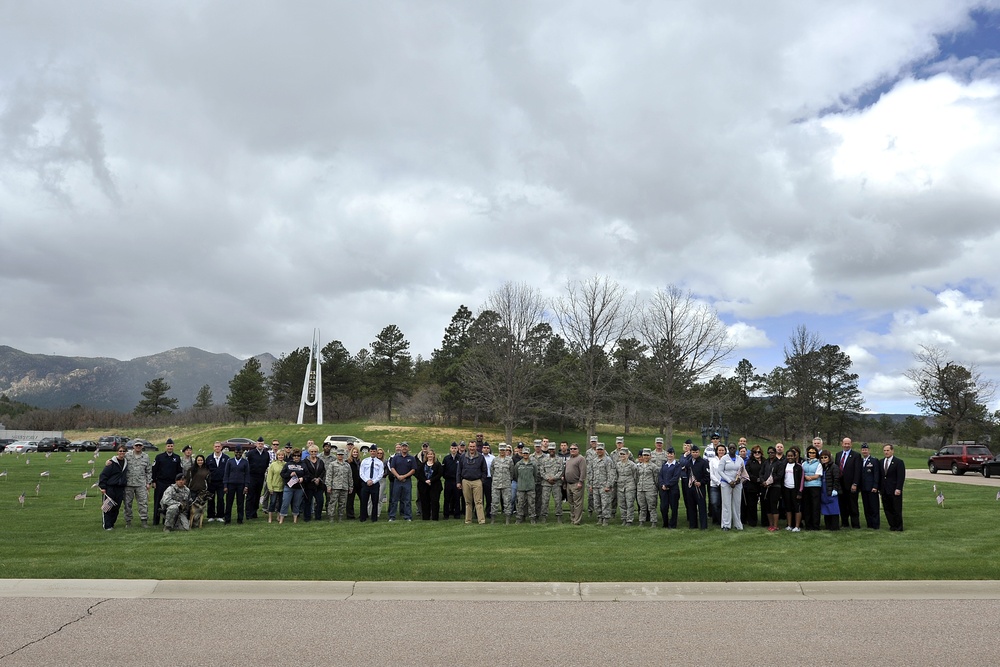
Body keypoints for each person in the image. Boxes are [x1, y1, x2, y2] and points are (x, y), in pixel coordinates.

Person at [457, 439, 488, 524]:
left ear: (476, 447)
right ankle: (468, 520)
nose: (472, 448)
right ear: (468, 447)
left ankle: (481, 520)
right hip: (466, 481)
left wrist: (482, 481)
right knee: (468, 502)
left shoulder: (480, 457)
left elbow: (484, 470)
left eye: (473, 446)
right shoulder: (463, 457)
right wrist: (458, 482)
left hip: (477, 481)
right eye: (470, 446)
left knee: (478, 501)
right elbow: (459, 470)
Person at [151, 439, 181, 526]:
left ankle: (167, 521)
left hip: (172, 484)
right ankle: (156, 521)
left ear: (173, 447)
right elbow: (154, 470)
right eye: (168, 446)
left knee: (170, 502)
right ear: (166, 447)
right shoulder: (159, 457)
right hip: (160, 483)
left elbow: (179, 471)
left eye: (171, 446)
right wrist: (154, 481)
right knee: (158, 502)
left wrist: (178, 483)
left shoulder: (177, 458)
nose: (170, 447)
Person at [123, 440, 152, 528]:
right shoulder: (127, 455)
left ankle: (144, 521)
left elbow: (149, 471)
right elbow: (118, 458)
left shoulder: (146, 457)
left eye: (140, 445)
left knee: (143, 503)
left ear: (142, 446)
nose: (138, 447)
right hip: (129, 484)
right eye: (136, 445)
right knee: (127, 504)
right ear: (133, 446)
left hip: (141, 484)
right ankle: (128, 522)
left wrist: (148, 482)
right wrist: (109, 460)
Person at [99, 446, 128, 530]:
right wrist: (103, 487)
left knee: (116, 507)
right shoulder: (111, 463)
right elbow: (103, 475)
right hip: (110, 488)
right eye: (120, 451)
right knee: (108, 507)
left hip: (120, 488)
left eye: (123, 451)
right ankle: (107, 525)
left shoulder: (126, 462)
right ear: (117, 452)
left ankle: (112, 523)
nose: (122, 452)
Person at [718, 441, 746, 531]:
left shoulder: (740, 459)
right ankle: (726, 525)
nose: (732, 449)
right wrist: (729, 480)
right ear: (728, 449)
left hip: (737, 484)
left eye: (734, 448)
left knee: (737, 504)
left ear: (736, 449)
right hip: (726, 484)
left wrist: (738, 480)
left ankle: (738, 524)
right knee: (726, 504)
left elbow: (743, 471)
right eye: (730, 448)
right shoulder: (724, 459)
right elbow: (720, 471)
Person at [588, 443, 617, 526]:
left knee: (605, 503)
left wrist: (608, 485)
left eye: (601, 449)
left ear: (604, 450)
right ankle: (599, 518)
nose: (599, 451)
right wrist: (591, 484)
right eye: (598, 449)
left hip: (604, 486)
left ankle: (606, 519)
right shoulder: (594, 460)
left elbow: (611, 474)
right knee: (597, 503)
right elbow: (591, 473)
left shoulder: (608, 460)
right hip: (595, 485)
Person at [682, 445, 709, 529]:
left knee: (701, 506)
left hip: (700, 487)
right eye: (693, 452)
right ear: (691, 452)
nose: (695, 454)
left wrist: (701, 482)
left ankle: (703, 526)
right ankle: (693, 525)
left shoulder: (704, 462)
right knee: (691, 506)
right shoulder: (688, 462)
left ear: (699, 452)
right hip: (691, 488)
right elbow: (686, 473)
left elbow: (707, 476)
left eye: (696, 452)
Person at [388, 442, 416, 522]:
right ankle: (392, 516)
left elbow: (413, 470)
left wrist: (404, 476)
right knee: (394, 499)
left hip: (407, 481)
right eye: (403, 446)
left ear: (408, 448)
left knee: (407, 499)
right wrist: (398, 476)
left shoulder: (411, 458)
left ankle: (408, 516)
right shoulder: (396, 458)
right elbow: (392, 468)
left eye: (406, 447)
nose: (404, 448)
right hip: (397, 480)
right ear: (401, 448)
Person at [838, 437, 862, 529]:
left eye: (848, 444)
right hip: (841, 485)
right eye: (845, 443)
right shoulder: (838, 454)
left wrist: (855, 483)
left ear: (851, 444)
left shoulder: (856, 455)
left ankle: (855, 524)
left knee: (853, 505)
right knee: (842, 505)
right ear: (842, 444)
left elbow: (857, 471)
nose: (846, 445)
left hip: (852, 485)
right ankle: (844, 523)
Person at [223, 446, 250, 525]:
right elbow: (226, 474)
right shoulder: (230, 461)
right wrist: (225, 485)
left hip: (241, 485)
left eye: (240, 452)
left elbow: (247, 475)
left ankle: (240, 519)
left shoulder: (245, 462)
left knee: (240, 502)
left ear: (242, 453)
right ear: (234, 452)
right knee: (229, 502)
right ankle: (227, 519)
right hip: (231, 484)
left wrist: (246, 486)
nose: (238, 454)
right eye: (237, 452)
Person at [881, 444, 905, 531]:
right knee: (887, 509)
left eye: (888, 450)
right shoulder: (881, 462)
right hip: (884, 490)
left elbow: (901, 477)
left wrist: (898, 488)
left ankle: (899, 526)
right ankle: (892, 525)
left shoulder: (898, 462)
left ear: (892, 451)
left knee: (896, 509)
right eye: (884, 450)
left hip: (894, 490)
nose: (886, 452)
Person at [246, 437, 271, 520]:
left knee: (257, 495)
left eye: (262, 444)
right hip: (252, 476)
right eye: (259, 443)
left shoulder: (266, 454)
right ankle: (248, 513)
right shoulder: (251, 453)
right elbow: (247, 464)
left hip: (260, 477)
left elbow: (267, 464)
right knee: (250, 495)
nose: (260, 445)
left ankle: (254, 512)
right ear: (256, 444)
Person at [539, 443, 564, 523]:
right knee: (545, 501)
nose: (551, 451)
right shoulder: (544, 460)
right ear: (548, 450)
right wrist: (547, 478)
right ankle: (544, 517)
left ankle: (559, 516)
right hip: (546, 484)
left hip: (556, 483)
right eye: (550, 449)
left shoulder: (559, 460)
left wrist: (554, 478)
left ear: (555, 449)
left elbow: (561, 471)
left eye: (553, 449)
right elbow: (541, 471)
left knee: (558, 501)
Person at [563, 443, 587, 526]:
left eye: (574, 449)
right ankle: (572, 518)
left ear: (578, 450)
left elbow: (583, 471)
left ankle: (577, 520)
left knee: (578, 503)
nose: (572, 450)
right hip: (569, 484)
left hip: (577, 484)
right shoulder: (569, 459)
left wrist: (581, 482)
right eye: (571, 449)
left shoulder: (581, 459)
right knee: (571, 503)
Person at [279, 448, 306, 524]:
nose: (296, 457)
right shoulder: (288, 464)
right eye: (294, 456)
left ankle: (295, 519)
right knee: (285, 503)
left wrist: (302, 478)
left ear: (300, 456)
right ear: (292, 456)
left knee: (296, 504)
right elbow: (282, 474)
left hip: (299, 488)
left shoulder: (303, 464)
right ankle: (281, 519)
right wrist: (289, 474)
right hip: (289, 487)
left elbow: (307, 475)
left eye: (298, 456)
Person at [514, 449, 540, 524]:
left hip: (530, 487)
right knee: (520, 504)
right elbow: (516, 475)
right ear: (522, 454)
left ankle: (532, 518)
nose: (525, 454)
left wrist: (531, 482)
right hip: (521, 487)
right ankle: (519, 518)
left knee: (531, 503)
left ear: (529, 454)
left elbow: (535, 475)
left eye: (527, 453)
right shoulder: (518, 464)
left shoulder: (533, 464)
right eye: (524, 453)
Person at [490, 443, 515, 523]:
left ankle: (507, 519)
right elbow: (492, 471)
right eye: (501, 450)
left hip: (506, 484)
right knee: (494, 502)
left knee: (507, 502)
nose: (502, 451)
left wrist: (508, 479)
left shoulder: (509, 460)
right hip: (496, 484)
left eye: (503, 450)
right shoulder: (495, 460)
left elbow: (512, 472)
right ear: (499, 450)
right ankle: (493, 519)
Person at [205, 441, 229, 523]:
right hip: (211, 482)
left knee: (221, 499)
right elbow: (206, 470)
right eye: (216, 446)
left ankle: (220, 515)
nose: (217, 448)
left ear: (221, 447)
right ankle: (211, 515)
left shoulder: (226, 458)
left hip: (221, 482)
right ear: (213, 447)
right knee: (211, 499)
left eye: (218, 446)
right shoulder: (209, 458)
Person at [325, 449, 353, 522]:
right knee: (332, 503)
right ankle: (331, 517)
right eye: (339, 454)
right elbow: (329, 476)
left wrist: (351, 486)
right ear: (336, 455)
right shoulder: (332, 464)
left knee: (342, 503)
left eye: (341, 455)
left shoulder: (347, 465)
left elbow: (350, 476)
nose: (340, 456)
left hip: (344, 487)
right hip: (335, 487)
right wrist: (328, 486)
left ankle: (340, 517)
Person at [301, 443, 326, 522]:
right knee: (308, 501)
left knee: (320, 501)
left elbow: (323, 471)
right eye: (312, 451)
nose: (313, 453)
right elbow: (306, 471)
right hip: (309, 484)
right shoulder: (305, 461)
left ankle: (318, 516)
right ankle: (307, 517)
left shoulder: (320, 461)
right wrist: (313, 479)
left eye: (315, 451)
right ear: (309, 452)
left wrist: (319, 479)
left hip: (319, 485)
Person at [658, 447, 682, 528]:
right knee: (663, 507)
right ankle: (665, 523)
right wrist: (662, 485)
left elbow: (675, 477)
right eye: (668, 454)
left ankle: (673, 524)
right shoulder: (664, 465)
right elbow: (660, 476)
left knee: (674, 508)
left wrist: (667, 485)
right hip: (664, 490)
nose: (669, 455)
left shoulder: (677, 465)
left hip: (673, 490)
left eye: (671, 454)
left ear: (674, 455)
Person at [859, 443, 881, 529]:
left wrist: (875, 486)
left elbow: (876, 474)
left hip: (872, 488)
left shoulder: (874, 460)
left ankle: (875, 524)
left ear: (869, 450)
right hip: (864, 488)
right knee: (866, 507)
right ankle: (869, 524)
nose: (864, 451)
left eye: (866, 450)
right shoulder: (860, 461)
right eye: (863, 450)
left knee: (874, 507)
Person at [359, 448, 384, 522]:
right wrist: (367, 480)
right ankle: (363, 518)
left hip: (375, 484)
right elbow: (361, 473)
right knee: (364, 501)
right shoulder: (365, 461)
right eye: (371, 451)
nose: (373, 452)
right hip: (365, 483)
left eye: (374, 451)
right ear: (369, 452)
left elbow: (380, 474)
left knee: (375, 501)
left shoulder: (379, 462)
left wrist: (373, 481)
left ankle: (374, 518)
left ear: (376, 452)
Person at [781, 447, 803, 532]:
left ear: (795, 456)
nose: (790, 457)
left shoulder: (799, 467)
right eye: (788, 456)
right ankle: (789, 525)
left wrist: (800, 492)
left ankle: (797, 526)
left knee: (797, 508)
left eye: (791, 456)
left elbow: (801, 480)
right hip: (786, 489)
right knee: (788, 508)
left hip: (795, 490)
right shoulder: (784, 466)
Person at [417, 449, 443, 520]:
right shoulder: (422, 464)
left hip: (435, 486)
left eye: (431, 454)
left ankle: (435, 517)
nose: (430, 456)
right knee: (425, 502)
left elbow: (439, 474)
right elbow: (419, 474)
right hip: (424, 486)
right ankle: (426, 517)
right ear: (426, 455)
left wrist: (431, 480)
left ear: (434, 455)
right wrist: (425, 480)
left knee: (434, 501)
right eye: (428, 454)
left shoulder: (437, 464)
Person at [801, 445, 822, 531]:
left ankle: (815, 525)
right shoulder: (804, 463)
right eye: (810, 452)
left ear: (816, 454)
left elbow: (817, 475)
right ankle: (808, 525)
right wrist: (805, 477)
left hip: (815, 486)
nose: (811, 454)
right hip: (806, 487)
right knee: (807, 506)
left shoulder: (819, 463)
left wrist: (809, 478)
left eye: (813, 453)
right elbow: (802, 473)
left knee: (815, 506)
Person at [635, 449, 658, 527]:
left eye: (647, 455)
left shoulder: (653, 466)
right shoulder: (639, 466)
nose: (646, 457)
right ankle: (641, 521)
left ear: (650, 456)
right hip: (640, 488)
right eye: (644, 455)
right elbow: (637, 477)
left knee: (652, 506)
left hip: (650, 489)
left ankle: (653, 522)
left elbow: (656, 478)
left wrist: (654, 487)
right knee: (642, 506)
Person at [760, 446, 781, 531]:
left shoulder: (779, 463)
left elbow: (779, 475)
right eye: (769, 452)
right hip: (765, 486)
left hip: (775, 487)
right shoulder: (766, 462)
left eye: (772, 452)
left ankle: (776, 525)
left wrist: (770, 482)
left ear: (775, 453)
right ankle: (771, 524)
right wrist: (763, 481)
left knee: (773, 505)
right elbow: (761, 473)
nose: (770, 454)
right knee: (767, 506)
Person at [615, 448, 638, 526]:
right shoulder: (617, 464)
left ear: (628, 455)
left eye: (624, 454)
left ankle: (629, 520)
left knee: (629, 503)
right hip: (620, 486)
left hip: (630, 486)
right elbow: (617, 475)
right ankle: (624, 518)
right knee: (621, 503)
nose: (622, 456)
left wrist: (633, 485)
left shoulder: (632, 465)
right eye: (621, 454)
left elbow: (635, 476)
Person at [743, 446, 764, 527]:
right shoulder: (749, 462)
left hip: (763, 485)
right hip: (752, 485)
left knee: (764, 504)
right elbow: (748, 473)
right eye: (755, 452)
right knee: (752, 504)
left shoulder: (765, 461)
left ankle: (764, 522)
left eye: (758, 452)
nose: (757, 454)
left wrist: (762, 480)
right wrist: (756, 479)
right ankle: (752, 521)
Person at [819, 451, 841, 530]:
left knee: (833, 509)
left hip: (832, 490)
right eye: (822, 458)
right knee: (826, 508)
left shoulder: (834, 467)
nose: (823, 459)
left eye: (825, 457)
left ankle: (835, 526)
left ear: (829, 458)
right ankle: (828, 525)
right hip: (824, 491)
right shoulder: (822, 467)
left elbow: (836, 478)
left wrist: (835, 489)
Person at [441, 442, 462, 519]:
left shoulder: (460, 458)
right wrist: (446, 477)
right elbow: (443, 470)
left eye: (455, 448)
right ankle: (446, 514)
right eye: (452, 448)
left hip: (457, 481)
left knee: (457, 498)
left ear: (457, 449)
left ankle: (457, 514)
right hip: (448, 481)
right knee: (447, 498)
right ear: (450, 449)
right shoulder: (446, 458)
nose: (454, 450)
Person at [708, 443, 726, 525]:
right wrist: (718, 483)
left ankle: (722, 520)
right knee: (714, 503)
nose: (721, 452)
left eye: (722, 450)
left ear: (725, 451)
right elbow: (711, 474)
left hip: (725, 485)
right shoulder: (712, 461)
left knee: (723, 503)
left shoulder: (727, 460)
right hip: (714, 485)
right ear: (716, 451)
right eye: (719, 450)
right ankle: (716, 519)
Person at [265, 450, 285, 524]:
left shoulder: (285, 464)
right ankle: (270, 518)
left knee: (280, 503)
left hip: (282, 487)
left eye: (282, 455)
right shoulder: (273, 465)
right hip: (274, 487)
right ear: (277, 456)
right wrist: (270, 487)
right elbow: (269, 477)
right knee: (272, 502)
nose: (281, 456)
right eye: (279, 455)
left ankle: (278, 516)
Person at [345, 446, 362, 520]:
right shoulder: (348, 462)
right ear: (351, 453)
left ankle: (363, 514)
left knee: (363, 499)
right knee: (350, 500)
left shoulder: (360, 462)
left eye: (356, 452)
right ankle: (350, 515)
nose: (355, 453)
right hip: (351, 484)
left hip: (359, 484)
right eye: (354, 452)